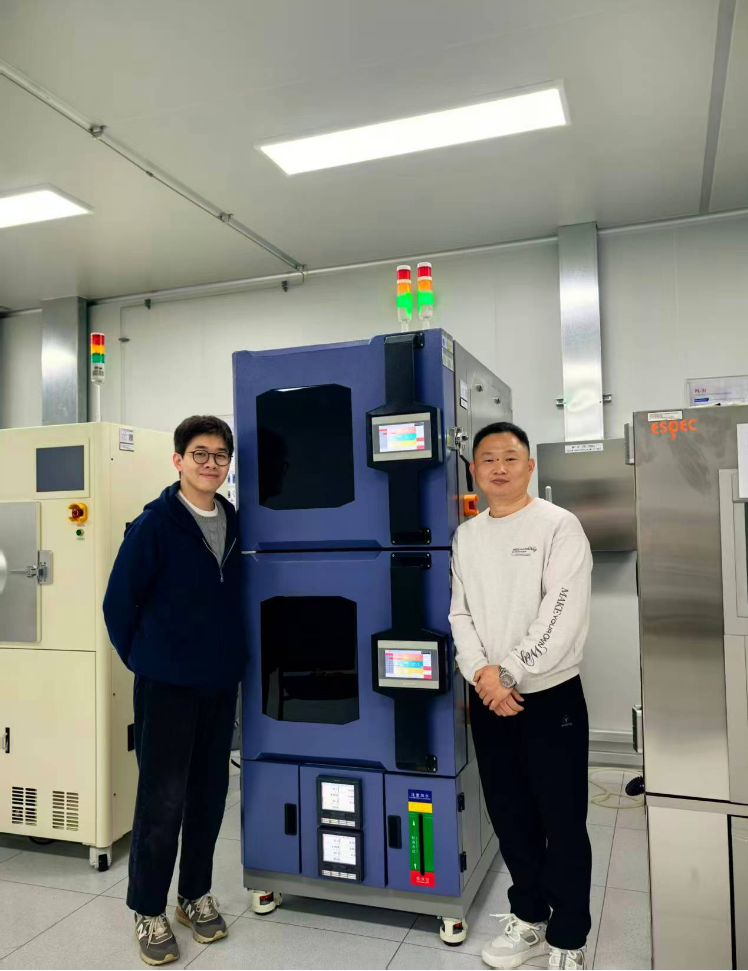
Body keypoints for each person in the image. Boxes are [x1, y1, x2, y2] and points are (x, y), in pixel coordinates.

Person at [449, 421, 592, 971]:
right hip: (490, 700)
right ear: (474, 471)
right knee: (510, 817)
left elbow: (562, 612)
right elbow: (460, 614)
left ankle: (569, 936)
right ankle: (528, 916)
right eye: (488, 459)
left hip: (549, 699)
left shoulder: (558, 525)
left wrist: (507, 672)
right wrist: (482, 675)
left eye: (510, 458)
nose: (499, 468)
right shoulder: (467, 536)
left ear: (530, 466)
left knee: (562, 821)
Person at [104, 415, 246, 966]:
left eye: (220, 455)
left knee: (209, 794)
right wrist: (147, 660)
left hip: (219, 682)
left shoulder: (233, 520)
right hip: (166, 686)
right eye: (200, 454)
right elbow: (119, 604)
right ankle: (148, 908)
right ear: (178, 460)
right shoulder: (155, 524)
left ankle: (193, 895)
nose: (211, 464)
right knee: (162, 800)